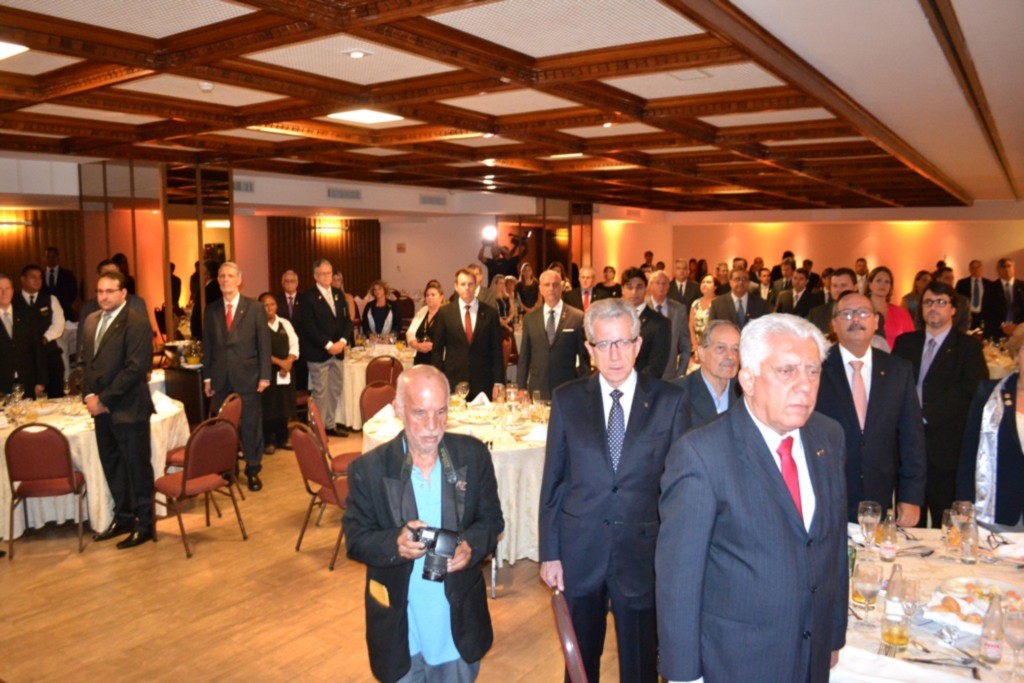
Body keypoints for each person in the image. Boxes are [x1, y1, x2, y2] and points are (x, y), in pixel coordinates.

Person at [656, 314, 848, 683]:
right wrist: (683, 675)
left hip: (812, 650)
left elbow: (832, 544)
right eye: (786, 371)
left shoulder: (829, 436)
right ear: (748, 380)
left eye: (812, 371)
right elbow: (679, 578)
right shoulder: (702, 454)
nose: (804, 385)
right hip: (737, 658)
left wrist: (833, 632)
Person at [540, 298, 688, 683]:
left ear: (638, 345)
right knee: (579, 667)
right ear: (589, 350)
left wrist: (675, 558)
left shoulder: (670, 402)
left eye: (623, 342)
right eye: (604, 344)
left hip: (642, 556)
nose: (615, 354)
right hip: (580, 552)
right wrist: (550, 553)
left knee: (640, 666)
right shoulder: (567, 399)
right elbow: (553, 482)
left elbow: (680, 492)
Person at [343, 365, 503, 683]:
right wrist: (394, 543)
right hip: (400, 630)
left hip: (455, 625)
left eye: (441, 412)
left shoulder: (473, 456)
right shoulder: (369, 470)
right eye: (420, 413)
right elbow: (356, 539)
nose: (432, 426)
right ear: (398, 409)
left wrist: (471, 546)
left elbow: (492, 520)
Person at [816, 291, 926, 525]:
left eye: (863, 313)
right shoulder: (815, 369)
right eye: (847, 314)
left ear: (876, 321)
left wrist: (911, 496)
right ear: (834, 324)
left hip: (879, 494)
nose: (856, 319)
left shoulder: (898, 370)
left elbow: (912, 437)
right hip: (825, 492)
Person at [893, 281, 987, 527]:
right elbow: (892, 386)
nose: (933, 307)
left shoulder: (968, 347)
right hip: (907, 447)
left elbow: (970, 391)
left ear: (953, 309)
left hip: (946, 447)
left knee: (946, 526)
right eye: (928, 302)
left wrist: (924, 416)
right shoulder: (905, 343)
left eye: (941, 302)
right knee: (908, 523)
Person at [81, 270, 156, 549]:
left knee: (137, 468)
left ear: (123, 293)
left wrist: (103, 400)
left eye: (109, 291)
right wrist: (89, 395)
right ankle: (123, 518)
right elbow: (85, 363)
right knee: (113, 466)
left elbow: (135, 369)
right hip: (100, 410)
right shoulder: (91, 321)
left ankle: (145, 525)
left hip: (128, 409)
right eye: (99, 291)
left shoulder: (136, 322)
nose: (103, 296)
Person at [202, 262, 272, 491]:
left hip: (249, 377)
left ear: (239, 280)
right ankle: (228, 469)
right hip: (221, 378)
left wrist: (265, 376)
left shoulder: (255, 308)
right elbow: (208, 346)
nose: (225, 280)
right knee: (224, 426)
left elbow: (264, 344)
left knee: (251, 425)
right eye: (222, 276)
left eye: (230, 276)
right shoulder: (211, 310)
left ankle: (253, 469)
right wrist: (207, 378)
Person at [957, 325, 1024, 529]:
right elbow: (970, 449)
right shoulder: (989, 394)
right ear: (1016, 355)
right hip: (999, 507)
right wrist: (964, 499)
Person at [297, 259, 353, 438]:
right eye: (323, 274)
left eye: (329, 273)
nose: (327, 277)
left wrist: (342, 342)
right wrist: (329, 345)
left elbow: (347, 321)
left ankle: (329, 425)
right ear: (315, 276)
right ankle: (317, 430)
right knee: (320, 392)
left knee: (335, 389)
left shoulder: (338, 294)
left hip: (338, 351)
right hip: (318, 352)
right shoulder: (307, 297)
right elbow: (309, 327)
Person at [430, 268, 504, 402]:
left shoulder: (490, 313)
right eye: (463, 284)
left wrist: (498, 381)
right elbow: (437, 350)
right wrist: (438, 378)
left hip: (483, 380)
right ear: (456, 287)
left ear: (476, 286)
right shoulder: (445, 313)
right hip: (453, 379)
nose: (467, 288)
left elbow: (497, 350)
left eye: (470, 284)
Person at [516, 269, 588, 401]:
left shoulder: (576, 317)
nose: (551, 289)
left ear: (561, 287)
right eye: (547, 285)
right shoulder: (530, 319)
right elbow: (524, 356)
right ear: (540, 289)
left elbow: (584, 359)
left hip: (566, 386)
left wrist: (586, 387)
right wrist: (521, 387)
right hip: (538, 387)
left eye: (555, 285)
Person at [77, 259, 148, 363]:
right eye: (107, 274)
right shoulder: (88, 308)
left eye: (114, 274)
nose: (111, 277)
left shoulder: (136, 303)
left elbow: (143, 342)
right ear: (98, 277)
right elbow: (81, 343)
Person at [673, 319, 740, 430]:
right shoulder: (676, 393)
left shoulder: (747, 392)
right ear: (701, 353)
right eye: (721, 348)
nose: (730, 356)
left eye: (735, 349)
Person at [15, 264, 65, 398]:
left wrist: (45, 338)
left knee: (56, 396)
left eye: (40, 278)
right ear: (23, 279)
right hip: (25, 358)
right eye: (33, 277)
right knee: (27, 397)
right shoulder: (13, 301)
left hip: (49, 354)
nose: (38, 281)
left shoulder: (50, 299)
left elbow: (59, 324)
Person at [258, 292, 298, 455]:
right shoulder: (258, 325)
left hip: (285, 371)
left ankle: (283, 438)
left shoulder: (285, 323)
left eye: (272, 304)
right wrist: (280, 363)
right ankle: (268, 440)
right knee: (268, 406)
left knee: (284, 404)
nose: (269, 308)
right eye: (265, 305)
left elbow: (294, 344)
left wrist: (288, 362)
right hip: (267, 371)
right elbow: (259, 351)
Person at [0, 274, 45, 397]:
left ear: (12, 291)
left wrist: (41, 380)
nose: (4, 293)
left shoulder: (26, 315)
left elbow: (37, 348)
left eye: (7, 288)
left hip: (28, 381)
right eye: (0, 289)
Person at [621, 268, 670, 377]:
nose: (634, 292)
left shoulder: (660, 323)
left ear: (646, 289)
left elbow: (656, 367)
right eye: (629, 287)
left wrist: (630, 383)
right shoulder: (614, 320)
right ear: (622, 290)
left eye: (639, 287)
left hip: (643, 384)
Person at [646, 269, 692, 378]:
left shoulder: (679, 310)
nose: (661, 286)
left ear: (668, 287)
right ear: (650, 286)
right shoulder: (642, 307)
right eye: (657, 283)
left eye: (664, 283)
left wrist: (681, 371)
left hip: (669, 373)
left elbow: (685, 345)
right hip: (645, 373)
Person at [866, 266, 915, 349]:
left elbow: (911, 342)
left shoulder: (901, 313)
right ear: (870, 285)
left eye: (887, 282)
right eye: (878, 280)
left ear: (890, 287)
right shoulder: (860, 310)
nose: (883, 284)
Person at [808, 267, 857, 334]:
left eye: (843, 285)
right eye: (834, 286)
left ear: (855, 287)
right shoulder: (816, 315)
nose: (838, 290)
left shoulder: (865, 314)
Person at [984, 258, 1024, 339]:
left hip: (1021, 331)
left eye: (1009, 266)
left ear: (1013, 268)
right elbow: (987, 311)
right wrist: (1002, 325)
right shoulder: (990, 288)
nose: (1006, 269)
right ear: (998, 270)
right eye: (1003, 267)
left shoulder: (1022, 286)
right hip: (997, 331)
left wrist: (1016, 325)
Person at [407, 280, 445, 366]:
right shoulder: (422, 311)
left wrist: (434, 346)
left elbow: (452, 340)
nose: (429, 297)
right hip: (419, 358)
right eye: (427, 295)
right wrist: (416, 345)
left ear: (441, 297)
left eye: (433, 295)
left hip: (438, 360)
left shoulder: (446, 314)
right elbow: (410, 332)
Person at [43, 246, 78, 322]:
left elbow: (73, 292)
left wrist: (65, 304)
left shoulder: (67, 274)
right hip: (45, 313)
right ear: (44, 258)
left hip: (65, 312)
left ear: (58, 257)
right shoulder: (40, 275)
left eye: (53, 256)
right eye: (48, 257)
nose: (51, 259)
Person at [934, 266, 971, 333]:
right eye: (947, 278)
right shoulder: (931, 298)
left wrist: (953, 335)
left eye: (952, 278)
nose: (950, 281)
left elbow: (965, 322)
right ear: (938, 280)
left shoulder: (963, 301)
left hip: (956, 336)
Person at [688, 273, 716, 353]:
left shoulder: (719, 302)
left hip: (714, 344)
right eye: (703, 282)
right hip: (697, 346)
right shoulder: (695, 303)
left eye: (708, 282)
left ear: (715, 287)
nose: (704, 284)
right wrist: (695, 345)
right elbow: (691, 326)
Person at [956, 259, 987, 330]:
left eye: (978, 267)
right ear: (970, 269)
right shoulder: (962, 283)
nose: (975, 269)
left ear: (981, 268)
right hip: (967, 315)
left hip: (983, 316)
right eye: (973, 267)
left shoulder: (988, 284)